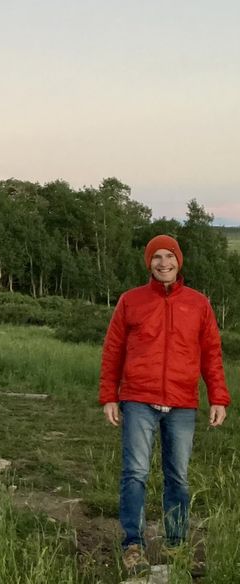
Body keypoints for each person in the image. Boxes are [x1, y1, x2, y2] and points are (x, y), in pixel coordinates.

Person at [98, 234, 230, 574]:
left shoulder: (199, 304)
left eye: (169, 256)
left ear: (178, 261)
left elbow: (211, 354)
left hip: (183, 402)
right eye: (156, 257)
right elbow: (113, 351)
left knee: (178, 477)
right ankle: (133, 545)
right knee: (135, 474)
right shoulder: (131, 301)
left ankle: (175, 545)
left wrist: (218, 397)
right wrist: (109, 395)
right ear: (148, 263)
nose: (163, 263)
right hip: (138, 399)